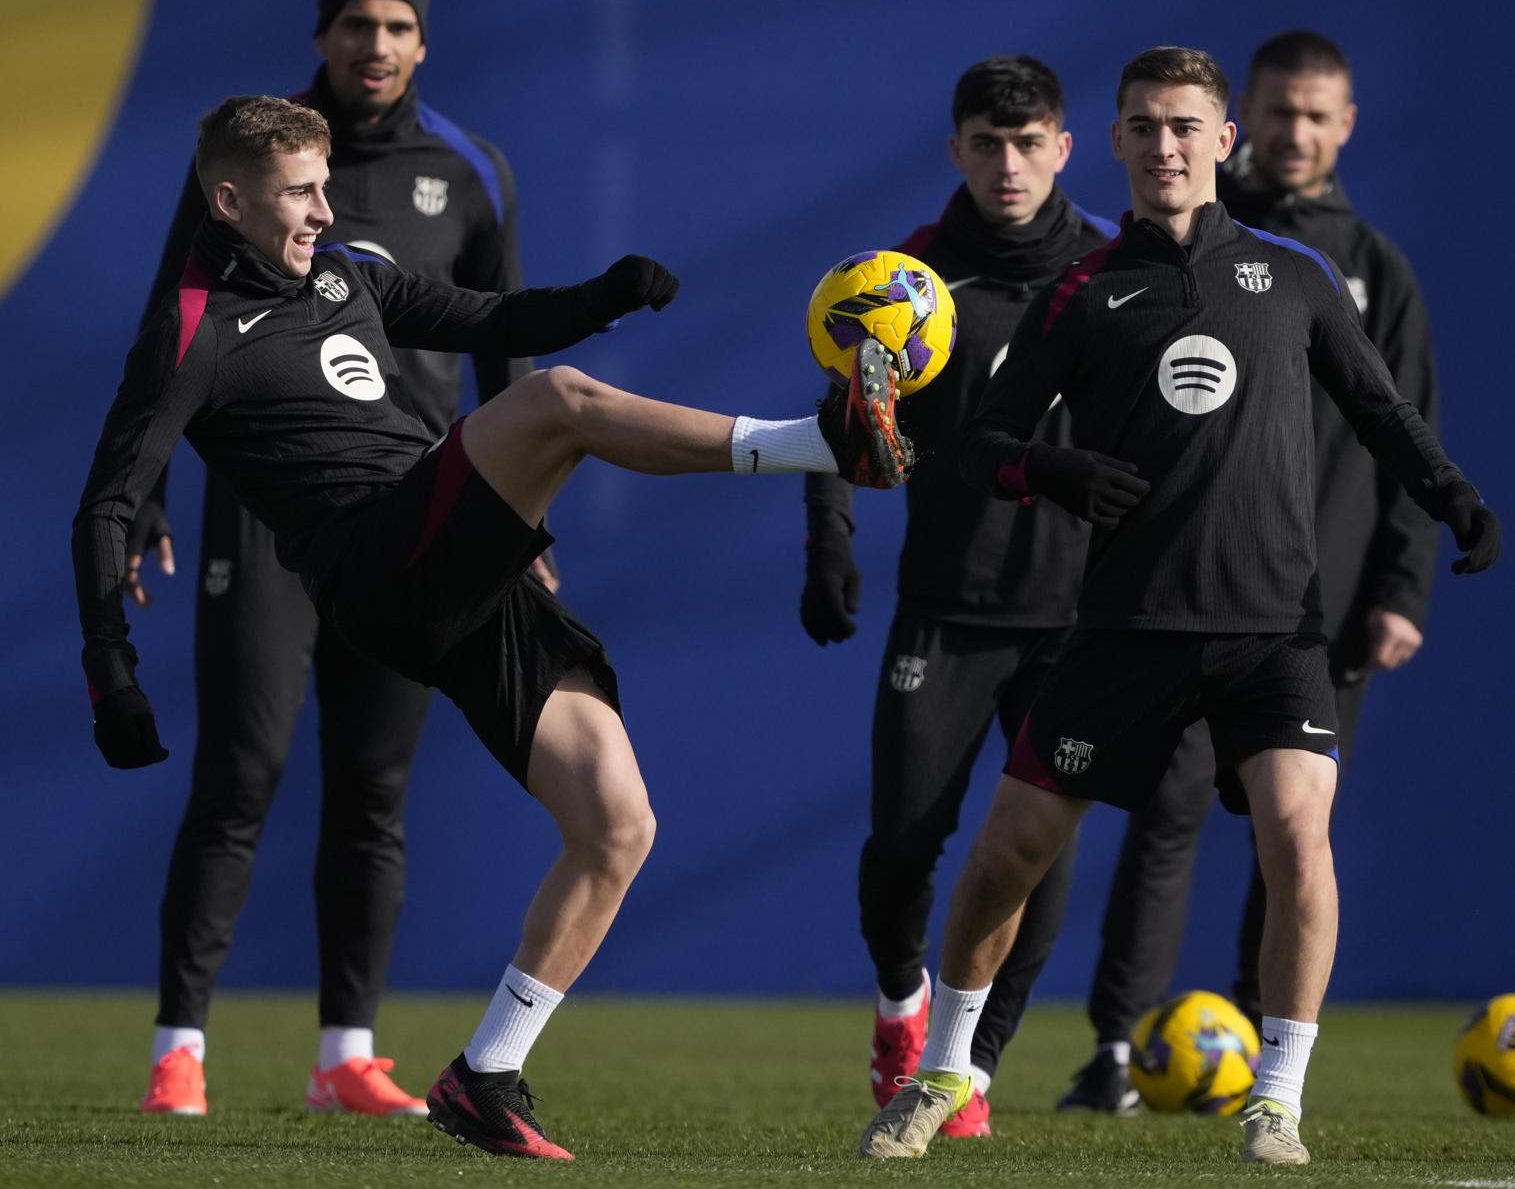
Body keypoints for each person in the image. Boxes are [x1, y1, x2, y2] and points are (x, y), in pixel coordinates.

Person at [77, 93, 911, 1160]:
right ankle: (824, 441)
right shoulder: (192, 328)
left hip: (452, 571)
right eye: (299, 192)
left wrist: (602, 294)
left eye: (327, 185)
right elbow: (106, 502)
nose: (324, 211)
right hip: (379, 564)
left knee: (619, 824)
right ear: (229, 198)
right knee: (559, 405)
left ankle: (488, 1072)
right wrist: (112, 670)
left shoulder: (345, 274)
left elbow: (488, 320)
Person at [855, 46, 1499, 1166]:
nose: (1166, 146)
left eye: (1186, 126)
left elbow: (1382, 406)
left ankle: (1277, 1100)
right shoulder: (1086, 289)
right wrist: (1047, 473)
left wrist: (1451, 494)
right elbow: (979, 441)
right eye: (1145, 127)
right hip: (1121, 629)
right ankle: (942, 1072)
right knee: (1005, 853)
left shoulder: (1292, 277)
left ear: (1223, 140)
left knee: (1301, 838)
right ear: (1116, 143)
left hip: (1271, 631)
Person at [125, 0, 557, 1121]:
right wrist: (146, 485)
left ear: (424, 40)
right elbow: (178, 314)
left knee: (373, 786)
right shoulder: (252, 160)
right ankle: (179, 1049)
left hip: (410, 520)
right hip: (265, 514)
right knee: (241, 772)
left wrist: (522, 520)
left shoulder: (470, 171)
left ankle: (345, 1054)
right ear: (321, 29)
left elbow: (506, 352)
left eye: (401, 25)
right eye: (359, 20)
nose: (379, 42)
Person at [1055, 28, 1443, 1112]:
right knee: (1164, 812)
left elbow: (1408, 430)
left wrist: (1400, 592)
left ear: (1346, 125)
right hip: (1177, 587)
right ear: (1244, 124)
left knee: (1291, 831)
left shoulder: (1368, 270)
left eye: (1318, 115)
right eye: (1280, 112)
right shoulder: (1179, 248)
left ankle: (1253, 1055)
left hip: (1318, 611)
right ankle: (1118, 1048)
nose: (1296, 133)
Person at [801, 56, 1115, 1138]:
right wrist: (828, 546)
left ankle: (966, 1069)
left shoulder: (1115, 270)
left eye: (1031, 143)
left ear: (1065, 149)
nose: (1009, 164)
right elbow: (838, 422)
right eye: (988, 142)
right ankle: (901, 1005)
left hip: (1081, 618)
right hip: (946, 603)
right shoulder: (908, 277)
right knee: (901, 841)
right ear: (957, 150)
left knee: (1037, 852)